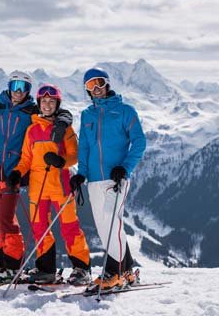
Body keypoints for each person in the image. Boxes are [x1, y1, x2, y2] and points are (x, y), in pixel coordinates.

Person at [0, 71, 73, 283]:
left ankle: (12, 265)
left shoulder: (32, 111)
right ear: (9, 86)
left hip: (12, 176)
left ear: (28, 91)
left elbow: (59, 113)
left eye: (24, 87)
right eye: (15, 85)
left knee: (6, 222)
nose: (18, 91)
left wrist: (62, 122)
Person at [70, 68, 146, 290]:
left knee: (112, 223)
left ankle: (114, 272)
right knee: (105, 227)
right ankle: (128, 271)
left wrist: (125, 167)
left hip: (116, 179)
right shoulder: (87, 115)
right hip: (94, 179)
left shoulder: (125, 111)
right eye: (90, 85)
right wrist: (81, 173)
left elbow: (139, 142)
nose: (96, 88)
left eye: (99, 83)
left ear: (107, 84)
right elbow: (84, 146)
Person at [7, 84, 91, 285]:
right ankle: (46, 270)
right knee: (39, 228)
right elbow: (26, 158)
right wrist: (18, 172)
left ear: (57, 104)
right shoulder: (32, 130)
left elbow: (74, 155)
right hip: (37, 188)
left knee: (69, 227)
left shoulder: (65, 129)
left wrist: (62, 161)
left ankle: (81, 268)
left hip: (60, 186)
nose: (47, 105)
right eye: (43, 101)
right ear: (39, 103)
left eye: (51, 101)